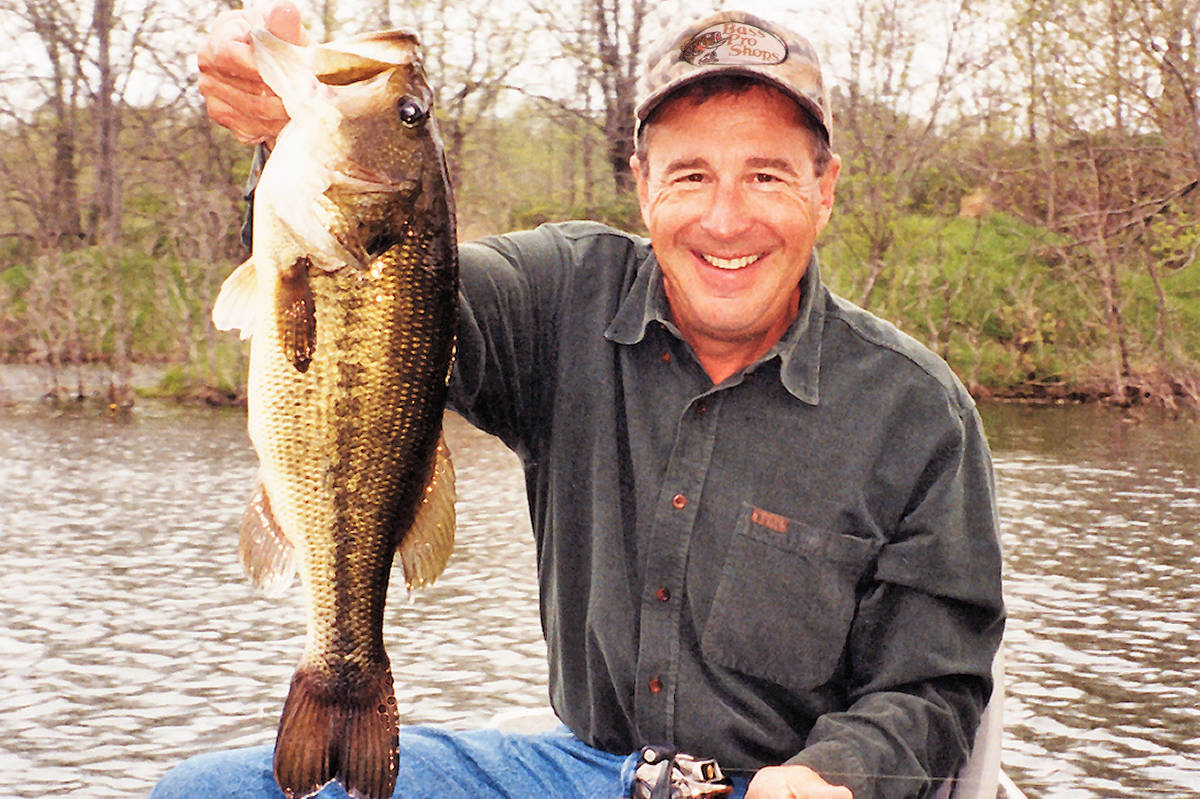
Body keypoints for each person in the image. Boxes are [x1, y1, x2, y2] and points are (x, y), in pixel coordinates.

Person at [156, 5, 1005, 798]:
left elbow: (935, 682)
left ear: (825, 189)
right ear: (643, 185)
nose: (725, 217)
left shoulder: (916, 412)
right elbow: (394, 313)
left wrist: (837, 771)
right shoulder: (565, 295)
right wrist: (280, 139)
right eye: (690, 173)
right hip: (579, 768)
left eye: (768, 176)